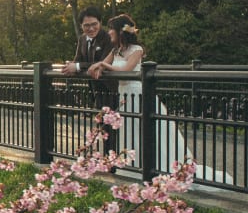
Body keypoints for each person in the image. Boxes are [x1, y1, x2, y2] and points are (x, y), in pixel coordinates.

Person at [88, 14, 233, 184]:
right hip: (124, 96)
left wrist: (103, 65)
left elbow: (126, 69)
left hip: (138, 95)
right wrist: (98, 66)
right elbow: (105, 66)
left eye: (111, 28)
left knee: (146, 130)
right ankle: (134, 167)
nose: (109, 32)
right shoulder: (115, 51)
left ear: (120, 31)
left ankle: (156, 168)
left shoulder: (137, 50)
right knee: (130, 131)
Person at [62, 7, 116, 152]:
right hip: (95, 89)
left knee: (111, 127)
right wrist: (71, 66)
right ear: (81, 26)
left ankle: (110, 162)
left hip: (111, 89)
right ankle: (106, 160)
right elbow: (77, 61)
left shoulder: (108, 38)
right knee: (102, 126)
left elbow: (104, 62)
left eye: (94, 24)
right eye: (86, 25)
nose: (91, 28)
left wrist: (78, 66)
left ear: (100, 22)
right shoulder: (82, 39)